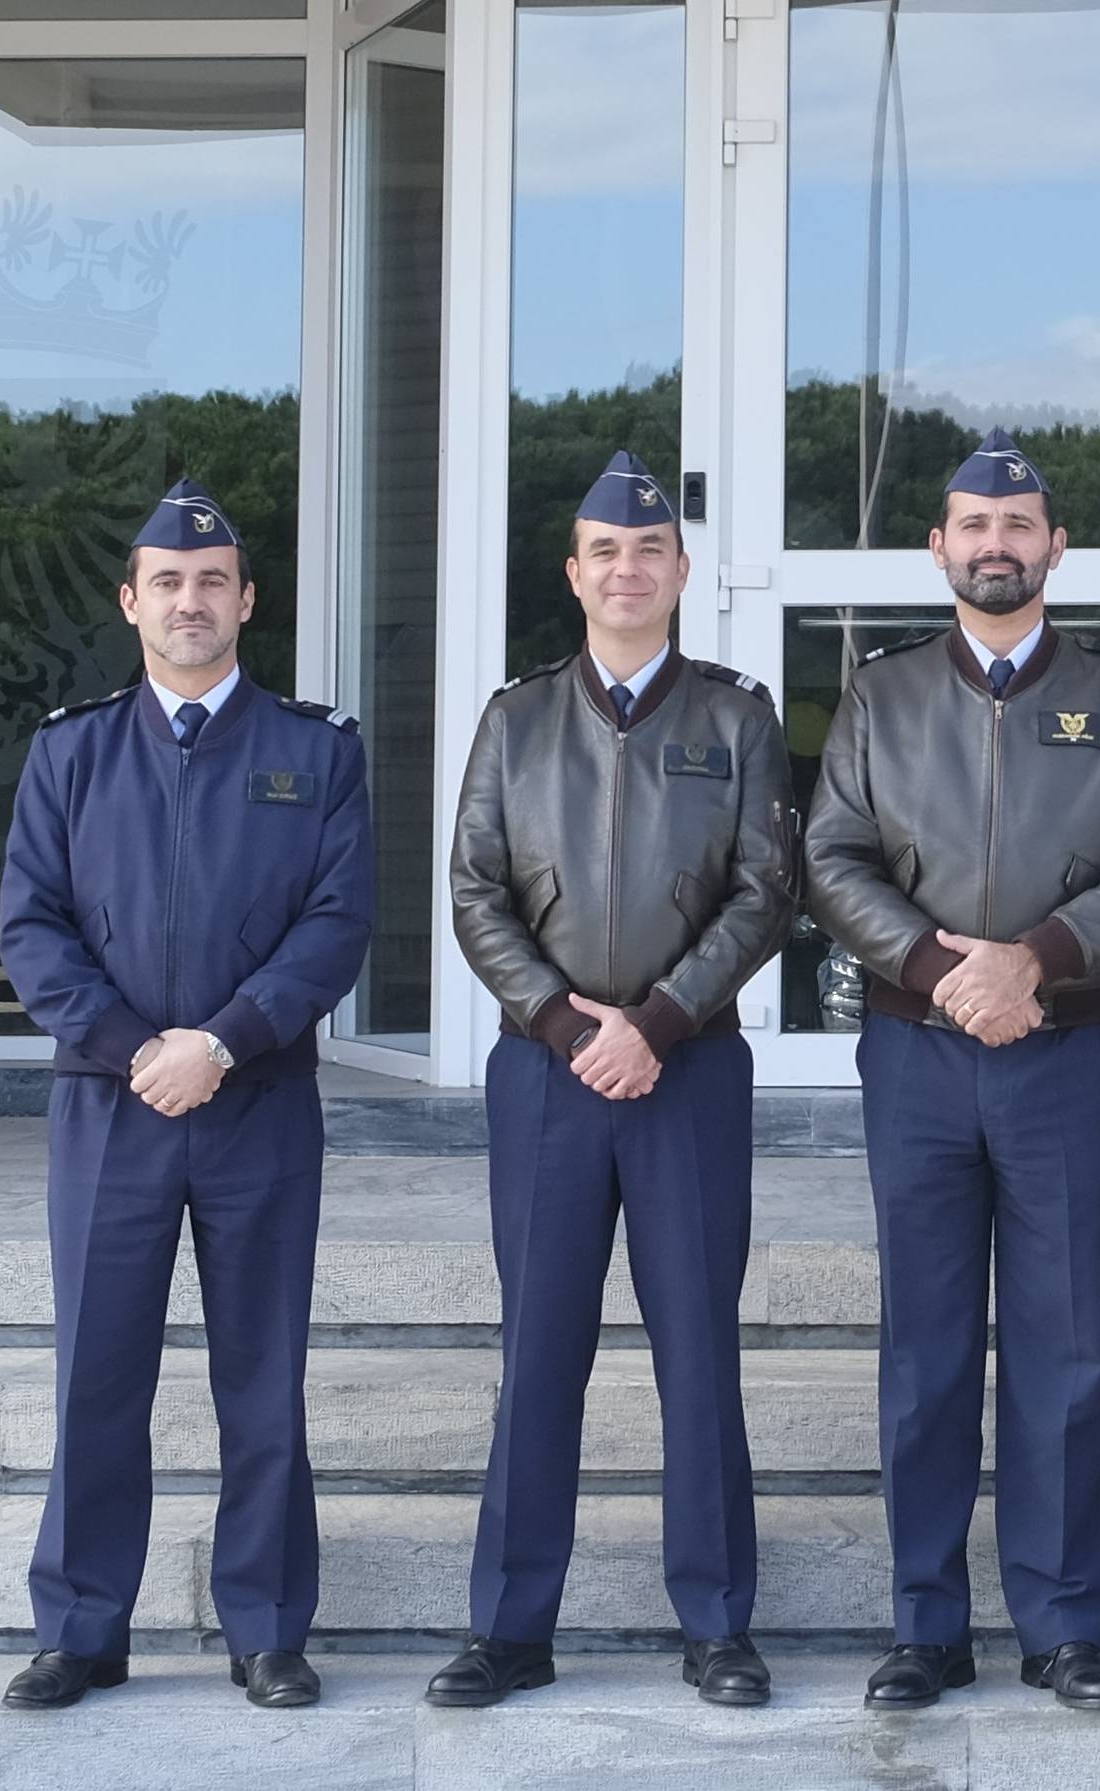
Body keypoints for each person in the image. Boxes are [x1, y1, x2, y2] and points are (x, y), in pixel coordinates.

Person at [804, 428, 1100, 1715]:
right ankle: (928, 1621)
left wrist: (1031, 959)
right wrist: (937, 967)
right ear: (938, 546)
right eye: (971, 526)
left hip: (1066, 1052)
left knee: (1062, 1351)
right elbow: (831, 855)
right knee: (923, 1355)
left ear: (1055, 545)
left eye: (1017, 525)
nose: (995, 544)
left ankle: (1065, 1622)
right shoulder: (881, 692)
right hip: (915, 1054)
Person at [0, 477, 375, 1715]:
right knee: (97, 1374)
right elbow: (31, 926)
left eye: (213, 580)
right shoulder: (71, 749)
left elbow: (334, 925)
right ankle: (83, 1627)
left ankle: (265, 1626)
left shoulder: (314, 752)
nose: (191, 599)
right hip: (109, 1108)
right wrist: (130, 1045)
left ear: (248, 600)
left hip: (256, 1103)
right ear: (130, 601)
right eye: (168, 580)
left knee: (261, 1378)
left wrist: (219, 1039)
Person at [428, 451, 795, 1714]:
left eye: (650, 550)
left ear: (682, 571)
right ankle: (510, 1625)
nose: (628, 568)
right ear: (574, 571)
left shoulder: (739, 716)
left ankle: (716, 1621)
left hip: (689, 1069)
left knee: (699, 1351)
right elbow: (475, 888)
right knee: (540, 1353)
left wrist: (658, 1017)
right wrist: (556, 1018)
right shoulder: (515, 718)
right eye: (604, 550)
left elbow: (766, 891)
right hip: (547, 1077)